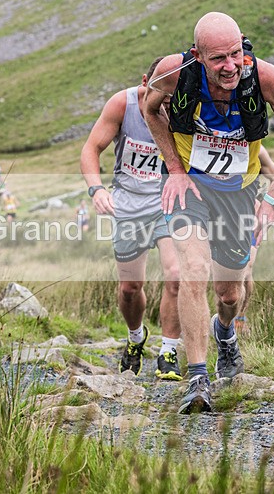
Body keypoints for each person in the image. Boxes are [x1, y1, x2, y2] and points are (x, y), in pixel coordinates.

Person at [144, 12, 274, 414]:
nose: (230, 66)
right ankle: (198, 378)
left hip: (239, 193)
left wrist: (273, 198)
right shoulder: (174, 71)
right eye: (219, 58)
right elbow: (150, 109)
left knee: (229, 292)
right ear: (198, 55)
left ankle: (225, 333)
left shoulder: (264, 77)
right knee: (194, 271)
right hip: (192, 189)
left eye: (236, 54)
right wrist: (174, 171)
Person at [80, 57, 183, 381]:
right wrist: (96, 190)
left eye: (171, 94)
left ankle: (168, 351)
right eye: (160, 91)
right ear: (144, 81)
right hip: (128, 204)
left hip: (167, 202)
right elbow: (91, 148)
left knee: (176, 275)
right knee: (129, 287)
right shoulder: (121, 104)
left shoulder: (181, 109)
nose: (165, 100)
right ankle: (136, 338)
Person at [235, 145, 274, 335]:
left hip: (248, 215)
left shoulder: (257, 150)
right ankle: (220, 318)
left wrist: (267, 207)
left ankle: (239, 318)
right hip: (215, 214)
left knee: (246, 268)